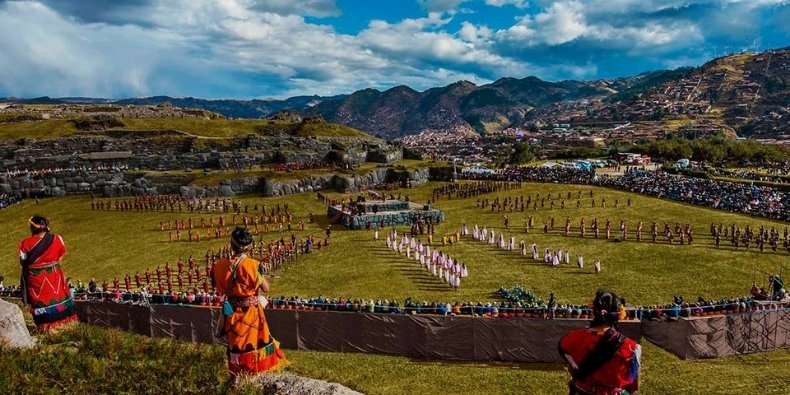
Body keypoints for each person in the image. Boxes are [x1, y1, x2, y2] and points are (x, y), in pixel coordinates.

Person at [212, 227, 287, 385]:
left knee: (234, 344)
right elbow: (265, 288)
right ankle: (252, 374)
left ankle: (235, 377)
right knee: (253, 343)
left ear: (231, 244)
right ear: (248, 246)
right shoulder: (253, 265)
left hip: (231, 311)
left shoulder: (218, 265)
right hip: (250, 312)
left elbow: (218, 286)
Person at [558, 290, 641, 395]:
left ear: (593, 311)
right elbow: (635, 386)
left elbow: (572, 367)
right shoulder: (631, 347)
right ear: (619, 313)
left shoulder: (571, 338)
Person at [18, 215, 77, 331]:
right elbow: (61, 255)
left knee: (41, 301)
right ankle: (64, 324)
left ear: (35, 227)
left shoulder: (25, 243)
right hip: (54, 273)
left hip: (36, 277)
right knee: (59, 297)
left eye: (31, 225)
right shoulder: (57, 238)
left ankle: (46, 327)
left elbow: (22, 261)